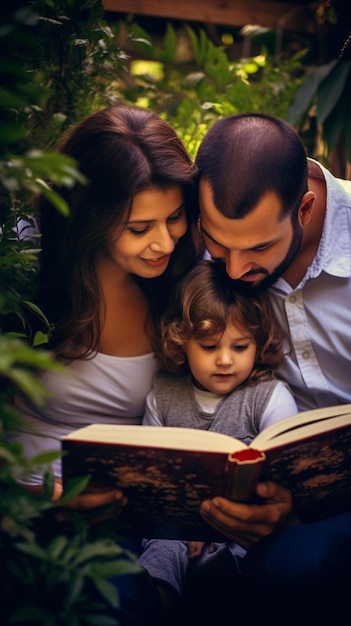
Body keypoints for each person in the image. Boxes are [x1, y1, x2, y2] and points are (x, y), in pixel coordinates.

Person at [10, 104, 203, 625]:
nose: (164, 241)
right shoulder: (27, 278)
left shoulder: (183, 284)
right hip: (15, 499)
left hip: (112, 517)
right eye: (139, 227)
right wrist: (31, 496)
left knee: (117, 599)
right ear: (90, 219)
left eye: (174, 218)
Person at [192, 112, 351, 622]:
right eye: (220, 245)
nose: (235, 270)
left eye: (259, 247)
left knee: (294, 566)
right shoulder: (205, 253)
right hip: (282, 490)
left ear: (304, 207)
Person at [138, 258, 297, 613]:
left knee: (255, 549)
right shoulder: (163, 396)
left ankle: (227, 588)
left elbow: (283, 480)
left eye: (240, 347)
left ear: (258, 342)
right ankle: (154, 599)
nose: (225, 360)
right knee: (162, 543)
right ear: (181, 342)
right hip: (177, 526)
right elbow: (151, 480)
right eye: (209, 347)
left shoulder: (268, 396)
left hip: (245, 529)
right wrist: (187, 522)